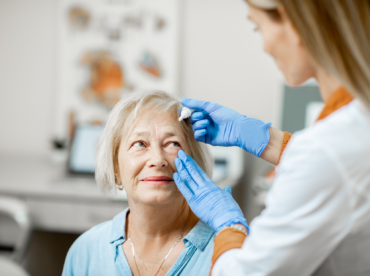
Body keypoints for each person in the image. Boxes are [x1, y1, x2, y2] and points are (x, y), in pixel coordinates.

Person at [173, 0, 370, 275]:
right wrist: (261, 137)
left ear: (293, 24)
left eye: (257, 28)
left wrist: (228, 224)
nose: (264, 46)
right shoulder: (353, 123)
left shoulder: (326, 150)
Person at [62, 90, 216, 276]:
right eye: (140, 144)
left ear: (195, 162)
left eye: (172, 143)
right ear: (115, 169)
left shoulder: (225, 253)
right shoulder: (85, 253)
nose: (157, 159)